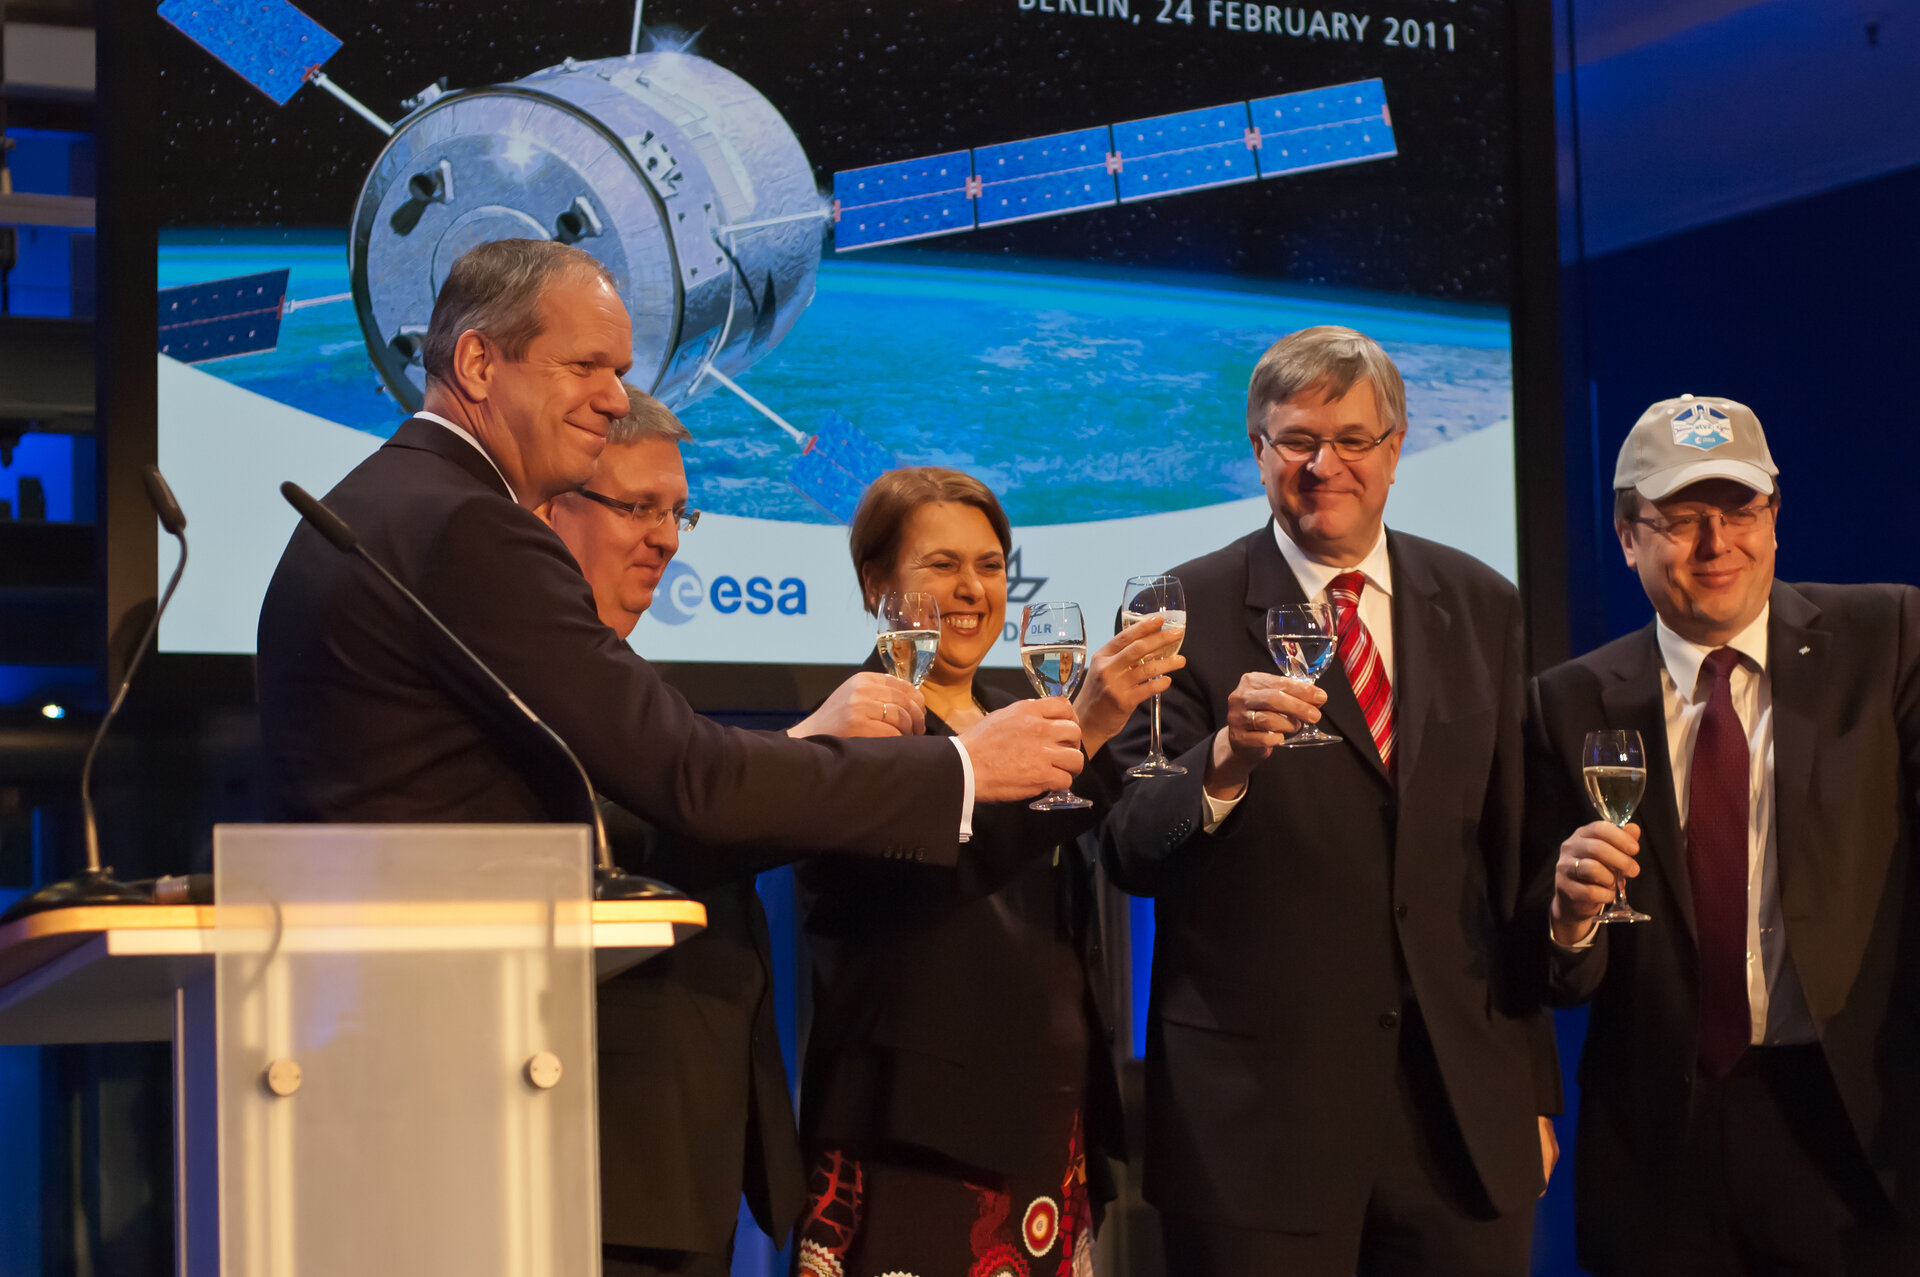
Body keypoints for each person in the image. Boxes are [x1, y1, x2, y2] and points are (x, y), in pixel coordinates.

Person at [258, 238, 1083, 860]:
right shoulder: (470, 525)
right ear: (478, 361)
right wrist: (963, 767)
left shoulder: (378, 500)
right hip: (445, 999)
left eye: (618, 370)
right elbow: (689, 778)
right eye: (585, 365)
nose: (616, 399)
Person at [1092, 326, 1561, 1275]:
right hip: (1258, 1136)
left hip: (1459, 1128)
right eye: (1295, 440)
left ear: (1394, 451)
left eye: (1351, 440)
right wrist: (1221, 760)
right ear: (1259, 452)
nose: (1323, 466)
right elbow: (1131, 847)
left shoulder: (1481, 602)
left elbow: (1507, 861)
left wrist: (1530, 1094)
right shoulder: (1177, 608)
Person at [1530, 394, 1920, 1274]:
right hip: (1659, 1148)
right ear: (1628, 535)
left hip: (1855, 1130)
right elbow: (1550, 966)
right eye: (1680, 518)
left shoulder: (1889, 637)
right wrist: (1567, 919)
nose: (1717, 544)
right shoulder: (1565, 702)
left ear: (1774, 518)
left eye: (1739, 510)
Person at [543, 390, 927, 1276]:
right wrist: (814, 750)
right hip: (612, 1153)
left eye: (680, 511)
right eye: (639, 507)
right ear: (550, 506)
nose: (669, 537)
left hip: (687, 1147)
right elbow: (633, 835)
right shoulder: (543, 678)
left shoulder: (622, 674)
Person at [791, 467, 1184, 1277]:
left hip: (1051, 1120)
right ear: (877, 585)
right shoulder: (861, 718)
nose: (972, 588)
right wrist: (1087, 725)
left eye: (992, 565)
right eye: (941, 564)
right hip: (921, 1133)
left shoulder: (1021, 707)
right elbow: (925, 878)